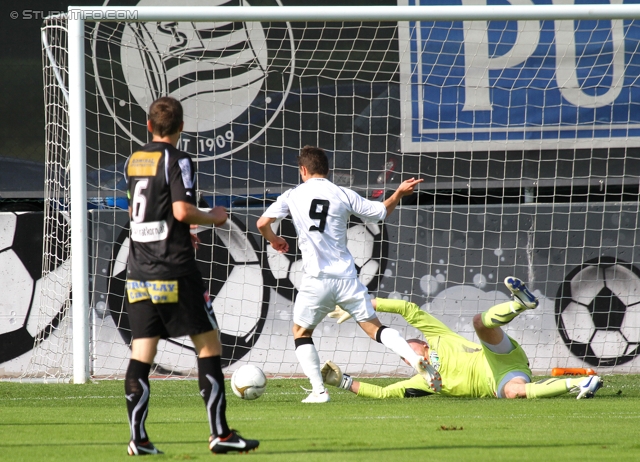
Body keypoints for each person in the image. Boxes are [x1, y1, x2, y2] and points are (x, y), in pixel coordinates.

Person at [123, 96, 259, 455]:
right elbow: (182, 210)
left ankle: (139, 439)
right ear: (182, 128)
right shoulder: (179, 158)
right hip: (173, 270)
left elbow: (146, 213)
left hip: (137, 271)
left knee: (142, 353)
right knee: (209, 345)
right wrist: (214, 218)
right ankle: (220, 434)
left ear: (149, 127)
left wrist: (181, 230)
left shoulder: (135, 159)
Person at [256, 145, 441, 404]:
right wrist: (398, 193)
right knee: (375, 328)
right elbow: (380, 212)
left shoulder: (292, 195)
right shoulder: (342, 193)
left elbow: (262, 223)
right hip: (346, 277)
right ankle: (413, 358)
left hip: (315, 279)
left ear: (303, 170)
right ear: (327, 170)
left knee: (301, 332)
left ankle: (319, 391)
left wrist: (275, 240)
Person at [322, 277, 604, 400]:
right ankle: (581, 382)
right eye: (402, 356)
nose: (406, 354)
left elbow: (408, 309)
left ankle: (520, 304)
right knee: (513, 394)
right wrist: (343, 382)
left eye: (407, 348)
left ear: (421, 342)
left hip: (499, 355)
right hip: (503, 380)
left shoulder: (438, 335)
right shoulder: (424, 380)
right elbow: (384, 392)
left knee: (479, 323)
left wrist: (367, 304)